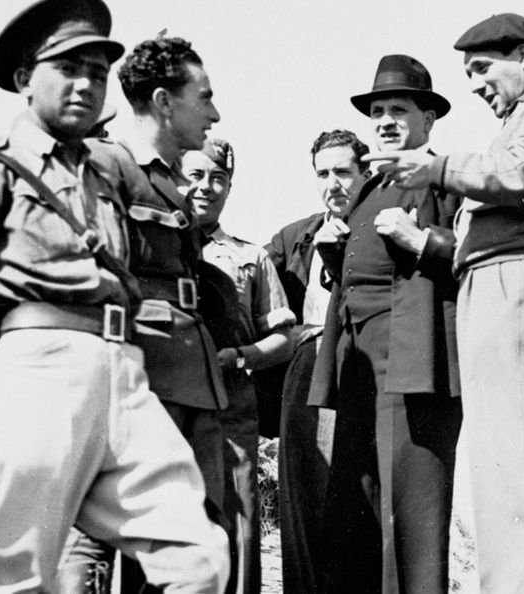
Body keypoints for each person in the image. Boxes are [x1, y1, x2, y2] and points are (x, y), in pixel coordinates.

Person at [0, 0, 228, 590]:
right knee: (13, 572)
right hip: (36, 364)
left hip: (123, 371)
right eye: (69, 68)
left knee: (200, 556)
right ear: (26, 79)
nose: (86, 84)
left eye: (98, 72)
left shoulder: (107, 173)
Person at [363, 14, 524, 591]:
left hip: (523, 286)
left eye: (481, 69)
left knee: (523, 477)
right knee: (520, 476)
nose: (473, 85)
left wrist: (440, 168)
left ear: (522, 55)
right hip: (510, 287)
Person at [59, 35, 228, 591]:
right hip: (141, 375)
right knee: (98, 536)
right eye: (203, 97)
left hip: (185, 377)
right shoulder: (107, 163)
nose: (214, 112)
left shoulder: (170, 179)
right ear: (162, 101)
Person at [308, 54, 462, 593]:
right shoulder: (367, 190)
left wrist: (425, 242)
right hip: (359, 375)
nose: (386, 120)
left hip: (415, 374)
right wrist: (333, 257)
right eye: (378, 111)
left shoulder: (448, 180)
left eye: (400, 108)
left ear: (428, 119)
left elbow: (484, 261)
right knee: (356, 519)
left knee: (414, 532)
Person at [182, 138, 295, 594]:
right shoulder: (150, 250)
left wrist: (243, 356)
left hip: (231, 408)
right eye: (195, 176)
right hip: (164, 407)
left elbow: (283, 337)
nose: (206, 188)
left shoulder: (251, 257)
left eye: (218, 179)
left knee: (238, 525)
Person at [265, 129, 371, 594]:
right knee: (305, 503)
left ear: (365, 174)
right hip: (307, 375)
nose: (333, 183)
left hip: (364, 373)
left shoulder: (381, 228)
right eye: (323, 173)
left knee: (358, 505)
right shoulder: (293, 238)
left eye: (343, 171)